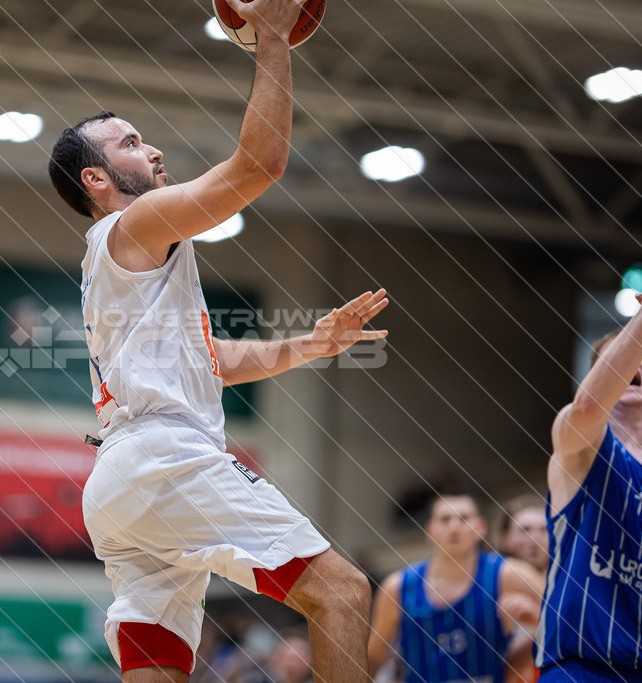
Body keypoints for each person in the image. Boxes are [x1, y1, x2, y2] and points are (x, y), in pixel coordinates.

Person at [47, 0, 387, 680]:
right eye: (130, 143)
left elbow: (210, 361)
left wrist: (310, 345)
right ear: (96, 179)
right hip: (165, 458)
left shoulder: (122, 260)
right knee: (342, 592)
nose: (153, 150)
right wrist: (272, 37)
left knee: (158, 662)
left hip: (121, 482)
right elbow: (258, 165)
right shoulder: (134, 223)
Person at [537, 228, 642, 681]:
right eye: (619, 360)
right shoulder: (578, 441)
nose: (632, 363)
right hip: (582, 669)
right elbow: (590, 407)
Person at [368, 493, 544, 682]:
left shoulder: (509, 574)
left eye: (463, 518)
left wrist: (537, 623)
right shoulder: (397, 586)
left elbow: (562, 624)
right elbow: (373, 659)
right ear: (430, 530)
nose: (454, 527)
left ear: (480, 528)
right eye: (445, 519)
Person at [496, 495, 549, 683]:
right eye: (525, 530)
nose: (534, 539)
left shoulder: (568, 587)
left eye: (544, 530)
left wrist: (539, 623)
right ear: (505, 539)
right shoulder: (491, 589)